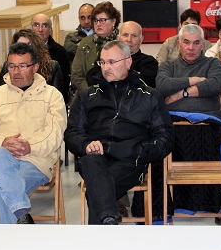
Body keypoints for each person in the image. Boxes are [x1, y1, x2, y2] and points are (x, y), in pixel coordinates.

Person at [66, 40, 174, 224]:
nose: (106, 67)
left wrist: (141, 151)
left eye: (112, 62)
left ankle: (105, 226)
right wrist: (85, 144)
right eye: (102, 62)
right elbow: (71, 134)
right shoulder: (86, 96)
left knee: (96, 186)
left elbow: (166, 138)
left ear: (128, 62)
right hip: (97, 157)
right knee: (92, 164)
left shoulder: (149, 96)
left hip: (131, 160)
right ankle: (109, 218)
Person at [0, 42, 67, 224]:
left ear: (35, 67)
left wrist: (29, 146)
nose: (16, 71)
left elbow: (55, 133)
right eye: (12, 66)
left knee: (7, 186)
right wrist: (2, 141)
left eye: (22, 66)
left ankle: (19, 221)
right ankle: (22, 219)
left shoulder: (52, 96)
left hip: (35, 161)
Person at [156, 24, 221, 112]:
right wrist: (194, 80)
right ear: (179, 44)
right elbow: (162, 85)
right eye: (186, 42)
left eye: (196, 43)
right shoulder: (168, 66)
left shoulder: (213, 63)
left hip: (207, 120)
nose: (191, 48)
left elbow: (217, 84)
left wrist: (182, 93)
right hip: (172, 121)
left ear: (202, 45)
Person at [0, 29, 67, 100]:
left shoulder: (52, 66)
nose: (24, 50)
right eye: (20, 46)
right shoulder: (7, 67)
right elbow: (1, 95)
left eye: (28, 45)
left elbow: (56, 97)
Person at [71, 1, 121, 92]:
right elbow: (76, 75)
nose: (98, 24)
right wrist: (93, 93)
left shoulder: (121, 43)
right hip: (89, 95)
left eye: (102, 20)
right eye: (95, 20)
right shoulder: (85, 43)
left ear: (113, 21)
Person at [31, 13, 71, 101]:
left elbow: (64, 83)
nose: (40, 29)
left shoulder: (60, 52)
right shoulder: (22, 51)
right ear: (31, 28)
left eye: (44, 25)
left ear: (50, 30)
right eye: (36, 25)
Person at [118, 21, 158, 86]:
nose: (129, 39)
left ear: (141, 39)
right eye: (125, 35)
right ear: (118, 38)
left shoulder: (149, 62)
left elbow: (143, 85)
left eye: (134, 36)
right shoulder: (106, 59)